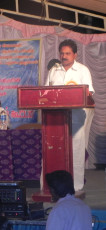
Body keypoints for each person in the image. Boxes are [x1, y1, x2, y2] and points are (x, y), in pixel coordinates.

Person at [45, 39, 95, 191]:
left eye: (68, 53)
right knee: (56, 150)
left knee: (76, 150)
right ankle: (56, 185)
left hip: (77, 116)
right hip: (56, 118)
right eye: (62, 53)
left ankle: (76, 185)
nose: (64, 56)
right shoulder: (54, 70)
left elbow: (89, 93)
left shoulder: (82, 70)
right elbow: (46, 91)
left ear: (75, 55)